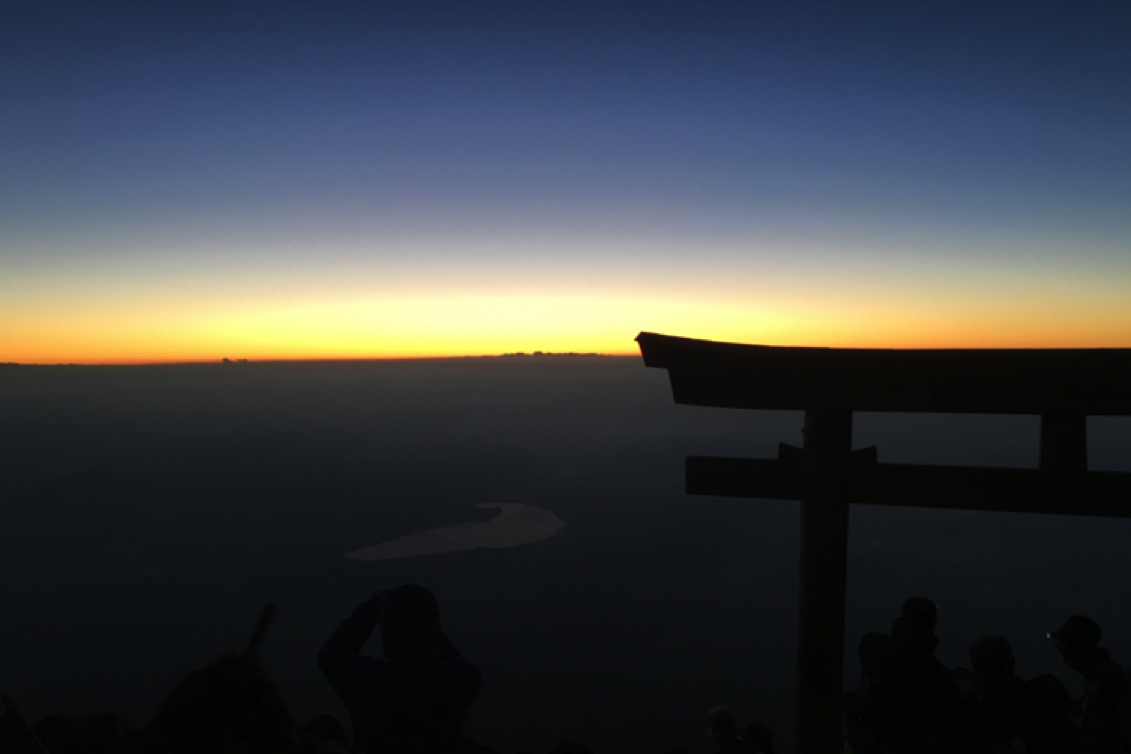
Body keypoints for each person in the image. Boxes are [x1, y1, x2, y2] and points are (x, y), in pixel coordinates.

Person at [318, 585, 482, 754]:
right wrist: (426, 626)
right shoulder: (459, 680)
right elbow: (453, 659)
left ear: (387, 632)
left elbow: (331, 656)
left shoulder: (369, 682)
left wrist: (374, 607)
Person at [1050, 615, 1128, 754]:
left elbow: (1100, 737)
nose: (1066, 658)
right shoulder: (1098, 677)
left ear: (1079, 647)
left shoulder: (1107, 680)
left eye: (1067, 650)